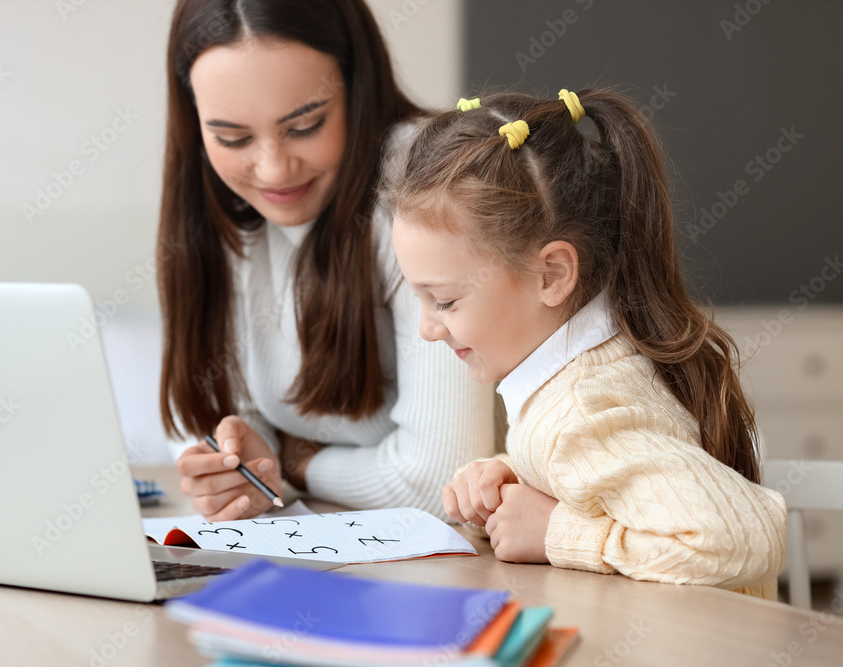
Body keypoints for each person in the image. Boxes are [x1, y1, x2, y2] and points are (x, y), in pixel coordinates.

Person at [389, 88, 787, 599]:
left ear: (551, 274)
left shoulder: (581, 411)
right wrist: (517, 474)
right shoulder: (599, 367)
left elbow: (743, 538)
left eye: (443, 301)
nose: (428, 328)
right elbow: (621, 474)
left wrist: (556, 531)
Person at [157, 0, 496, 522]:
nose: (272, 171)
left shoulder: (427, 193)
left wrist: (293, 462)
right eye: (233, 138)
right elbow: (198, 422)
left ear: (357, 89)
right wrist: (238, 459)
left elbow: (441, 483)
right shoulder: (221, 206)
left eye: (304, 125)